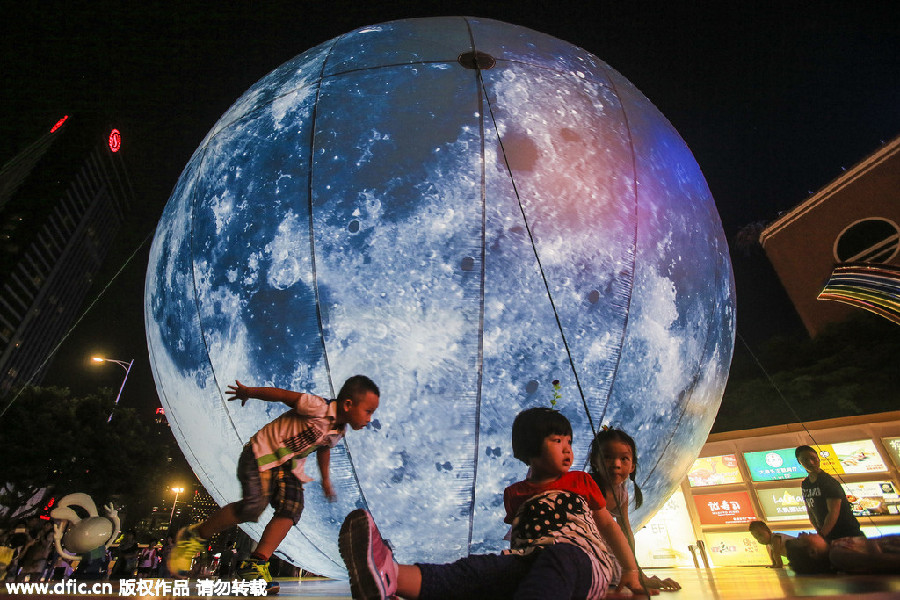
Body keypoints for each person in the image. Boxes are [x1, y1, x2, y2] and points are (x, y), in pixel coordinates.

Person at [339, 407, 653, 600]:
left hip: (584, 563)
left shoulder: (581, 483)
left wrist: (628, 568)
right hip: (531, 560)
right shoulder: (516, 494)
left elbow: (610, 527)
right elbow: (520, 540)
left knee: (559, 559)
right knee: (479, 571)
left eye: (569, 441)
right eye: (557, 441)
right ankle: (391, 575)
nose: (567, 448)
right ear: (531, 450)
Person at [167, 375, 380, 595]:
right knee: (253, 507)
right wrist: (249, 392)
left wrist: (325, 479)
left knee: (291, 508)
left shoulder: (339, 430)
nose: (369, 418)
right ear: (348, 405)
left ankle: (256, 564)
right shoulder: (318, 407)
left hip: (288, 468)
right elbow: (282, 396)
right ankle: (194, 535)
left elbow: (324, 448)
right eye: (368, 411)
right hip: (261, 454)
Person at [588, 427, 680, 591]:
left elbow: (625, 530)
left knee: (616, 572)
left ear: (632, 466)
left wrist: (638, 574)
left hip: (606, 550)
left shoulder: (622, 492)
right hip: (586, 548)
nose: (616, 464)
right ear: (594, 461)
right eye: (607, 457)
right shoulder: (588, 488)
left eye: (624, 459)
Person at [795, 445, 862, 541]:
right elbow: (810, 510)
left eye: (813, 458)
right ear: (799, 461)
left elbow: (833, 513)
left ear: (818, 458)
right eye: (805, 460)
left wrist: (821, 536)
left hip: (847, 534)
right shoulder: (806, 484)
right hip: (827, 535)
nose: (811, 462)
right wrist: (819, 532)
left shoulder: (828, 482)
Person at [784, 532, 900, 574]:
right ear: (812, 552)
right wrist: (872, 542)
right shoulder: (836, 556)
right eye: (799, 539)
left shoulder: (835, 546)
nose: (802, 533)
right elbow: (877, 561)